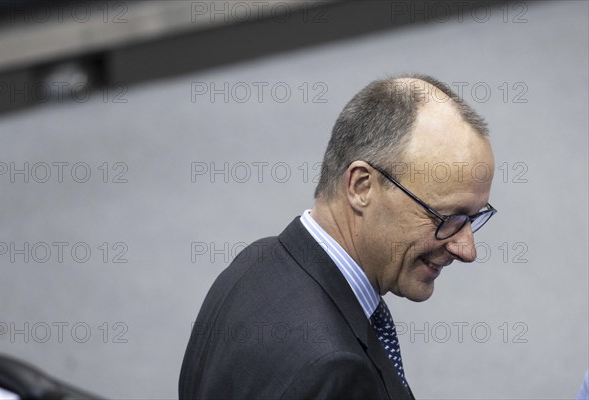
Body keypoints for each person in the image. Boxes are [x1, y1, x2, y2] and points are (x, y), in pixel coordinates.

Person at [179, 75, 497, 399]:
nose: (467, 249)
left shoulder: (253, 265)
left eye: (474, 217)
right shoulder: (334, 373)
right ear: (361, 187)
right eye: (448, 217)